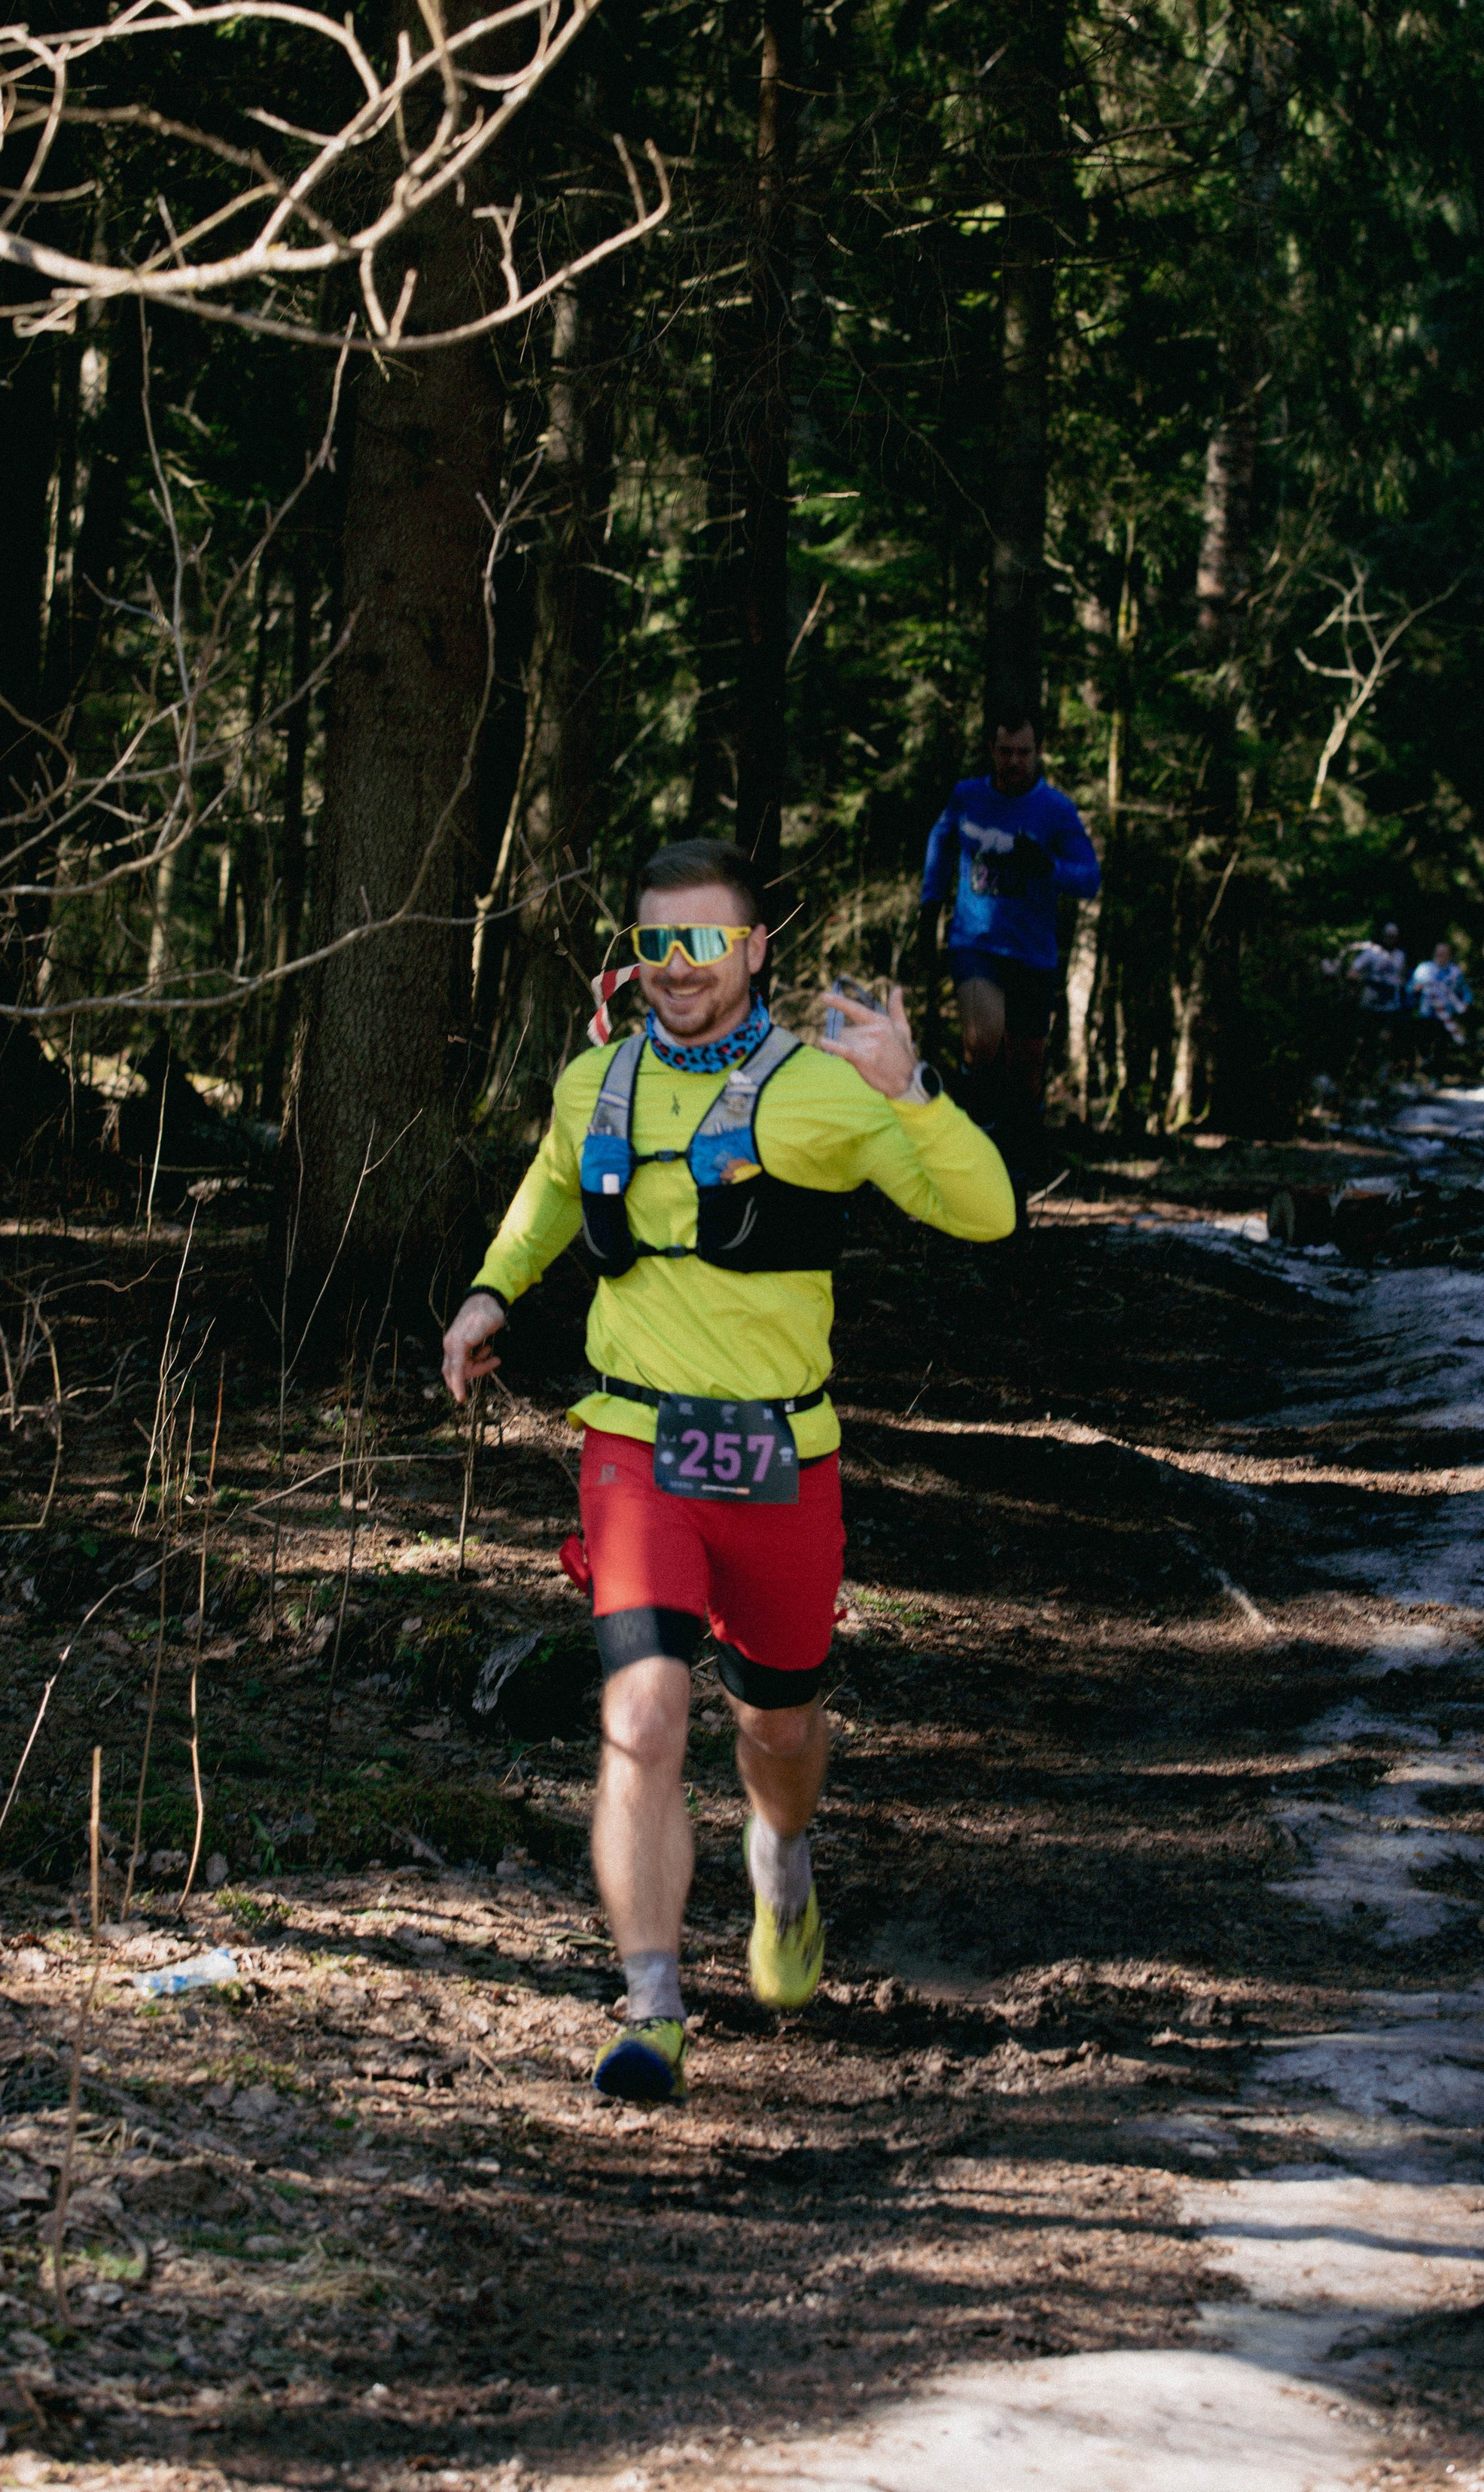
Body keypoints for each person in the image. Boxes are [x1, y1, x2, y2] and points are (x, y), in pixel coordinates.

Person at [440, 838, 1014, 2108]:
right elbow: (545, 1195)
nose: (678, 966)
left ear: (756, 949)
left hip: (780, 1460)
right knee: (642, 1717)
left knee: (782, 1731)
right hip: (634, 1448)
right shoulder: (595, 1079)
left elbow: (985, 1214)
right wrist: (491, 1293)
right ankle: (651, 2006)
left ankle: (785, 1866)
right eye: (656, 942)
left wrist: (913, 1089)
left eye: (704, 940)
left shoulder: (825, 1091)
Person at [916, 711, 1100, 1192]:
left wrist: (1048, 866)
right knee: (982, 1039)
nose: (1013, 762)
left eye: (1023, 752)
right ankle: (971, 1137)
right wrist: (929, 901)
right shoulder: (968, 796)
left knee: (1026, 1069)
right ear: (992, 750)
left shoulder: (1056, 810)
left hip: (1033, 954)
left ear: (1038, 752)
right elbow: (941, 837)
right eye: (1005, 751)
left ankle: (1019, 1155)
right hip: (975, 943)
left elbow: (1089, 879)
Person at [1409, 940, 1473, 1072]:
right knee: (1424, 1043)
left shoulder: (1455, 973)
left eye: (1444, 954)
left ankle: (1437, 1076)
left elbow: (1466, 992)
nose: (1440, 957)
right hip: (1426, 1013)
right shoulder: (1424, 969)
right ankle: (1423, 1070)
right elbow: (1410, 988)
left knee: (1441, 1046)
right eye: (1438, 954)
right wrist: (1416, 989)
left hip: (1445, 1016)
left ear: (1449, 956)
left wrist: (1465, 1004)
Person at [1346, 922, 1407, 1017]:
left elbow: (1402, 978)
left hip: (1391, 1005)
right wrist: (1368, 980)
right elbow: (1352, 973)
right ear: (1383, 936)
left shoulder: (1400, 955)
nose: (1390, 939)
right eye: (1388, 936)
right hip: (1372, 1003)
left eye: (1393, 936)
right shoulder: (1371, 953)